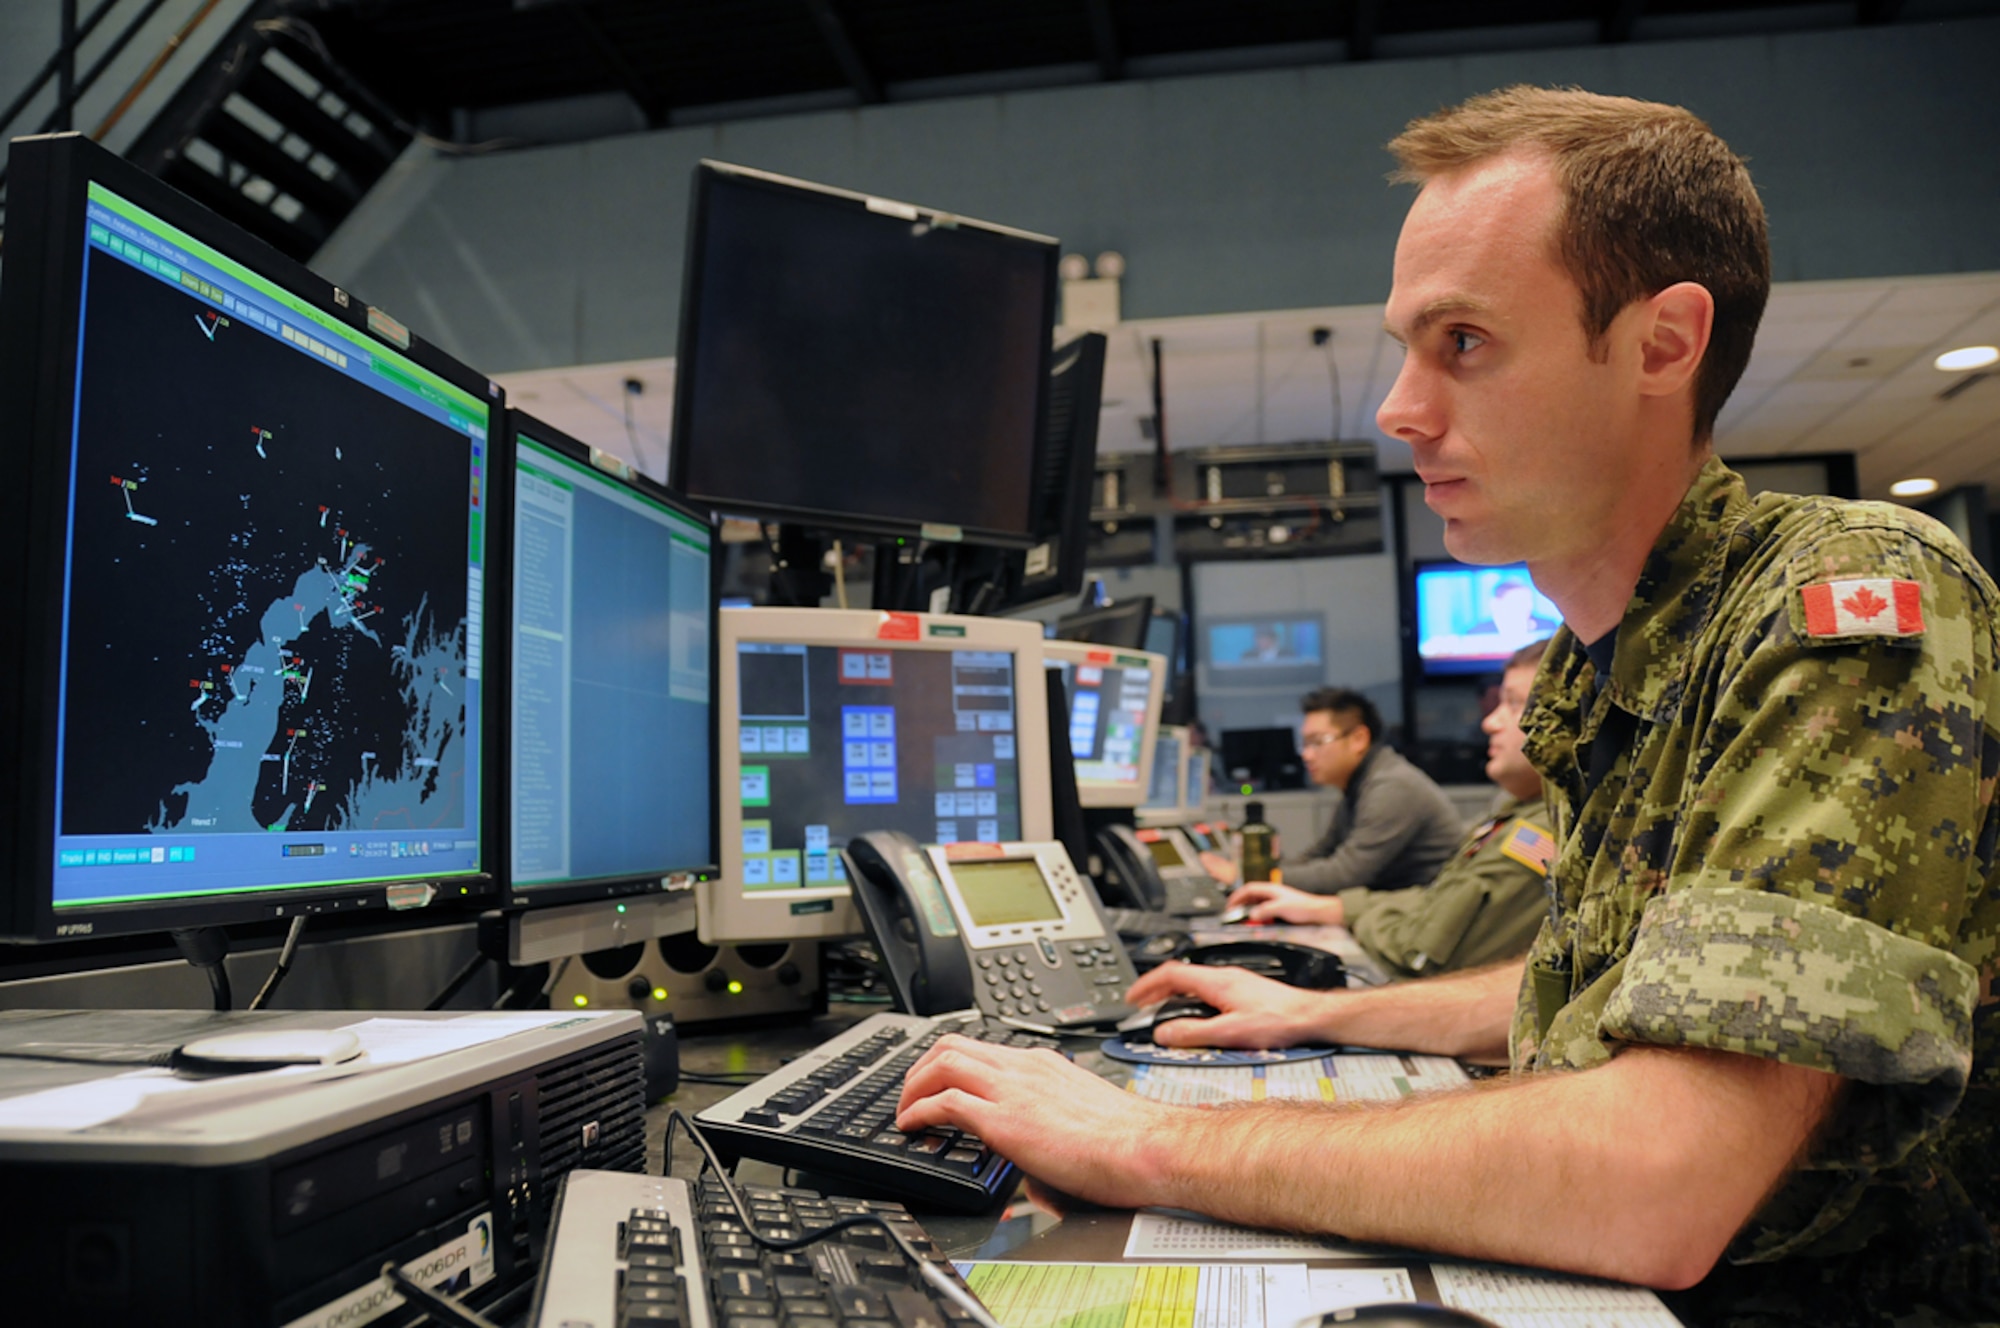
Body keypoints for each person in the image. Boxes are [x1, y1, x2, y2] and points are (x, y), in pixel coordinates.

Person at [897, 85, 1998, 1326]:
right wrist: (1325, 1015)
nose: (1398, 409)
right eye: (1403, 346)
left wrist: (1144, 1140)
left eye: (1462, 342)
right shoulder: (1602, 656)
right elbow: (1615, 991)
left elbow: (1663, 1170)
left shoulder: (1850, 599)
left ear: (1661, 343)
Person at [1228, 640, 1552, 979]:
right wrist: (1322, 906)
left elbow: (1421, 950)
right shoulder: (1515, 807)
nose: (1489, 722)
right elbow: (1428, 901)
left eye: (1514, 704)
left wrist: (1249, 877)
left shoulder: (1391, 787)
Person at [1276, 687, 1463, 895]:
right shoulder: (1360, 783)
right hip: (1396, 909)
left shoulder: (1392, 787)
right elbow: (1322, 853)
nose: (1307, 755)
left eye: (1317, 742)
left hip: (1424, 913)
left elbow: (1344, 875)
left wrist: (1258, 878)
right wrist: (1264, 874)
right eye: (1304, 744)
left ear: (1359, 739)